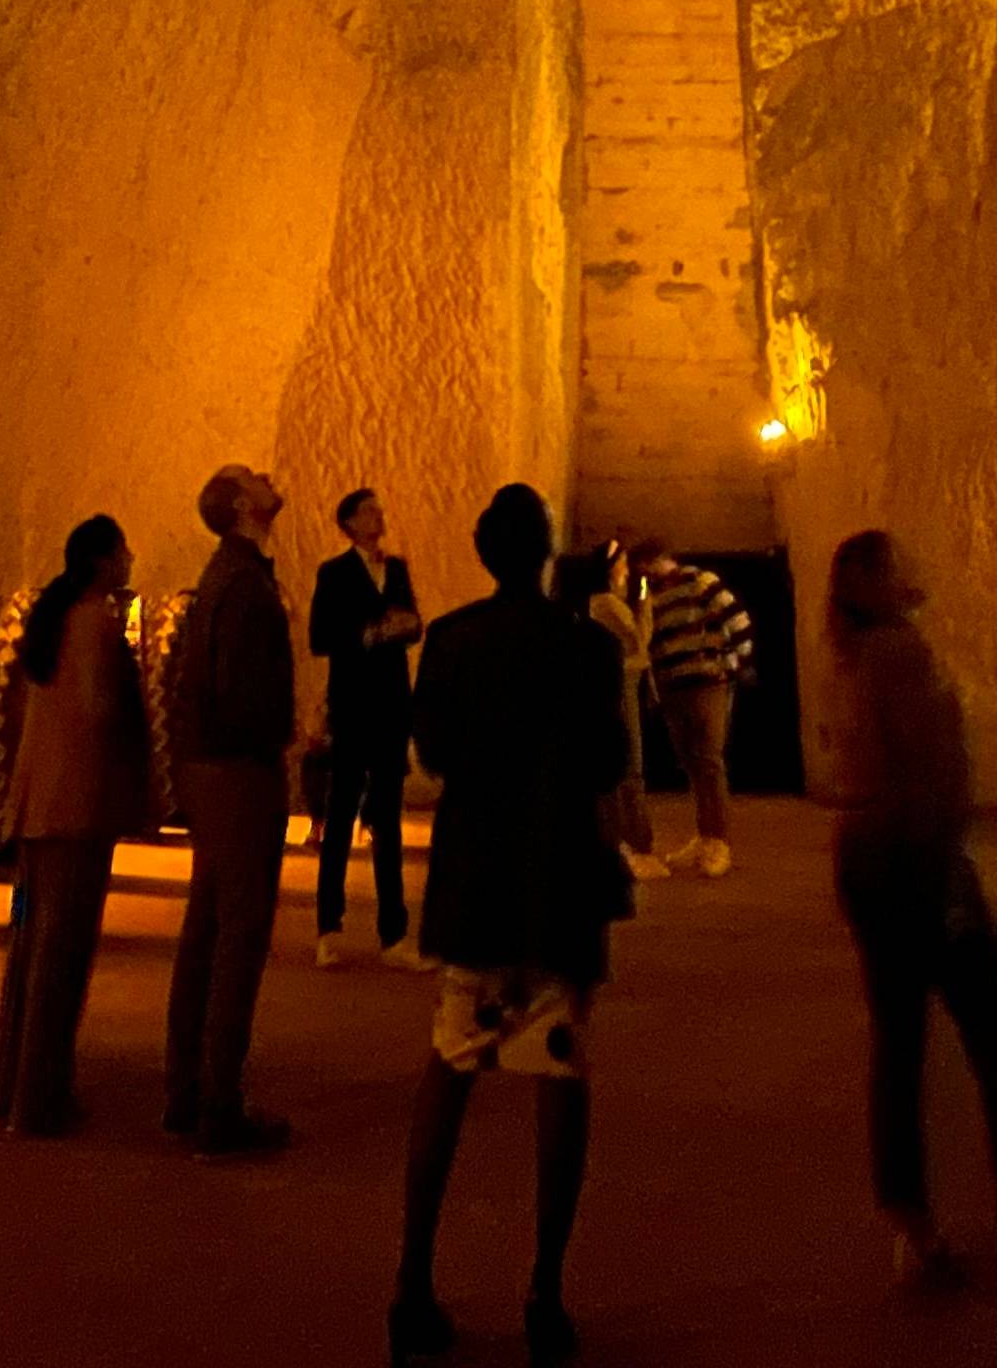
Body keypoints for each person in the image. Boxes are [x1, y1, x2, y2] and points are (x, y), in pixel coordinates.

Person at [389, 485, 632, 1368]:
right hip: (556, 883)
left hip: (476, 885)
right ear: (546, 550)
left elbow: (432, 754)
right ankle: (545, 1292)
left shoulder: (452, 640)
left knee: (451, 1064)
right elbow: (609, 761)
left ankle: (413, 1281)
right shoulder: (587, 647)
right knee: (558, 1072)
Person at [824, 529, 997, 1295]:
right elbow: (931, 773)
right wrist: (946, 877)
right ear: (878, 582)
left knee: (899, 1048)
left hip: (867, 858)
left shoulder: (850, 656)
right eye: (901, 561)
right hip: (916, 863)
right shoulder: (899, 654)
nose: (918, 564)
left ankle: (912, 1229)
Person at [0, 513, 155, 1136]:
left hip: (39, 810)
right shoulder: (94, 622)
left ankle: (12, 1092)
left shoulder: (53, 619)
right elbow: (98, 711)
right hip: (77, 811)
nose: (130, 559)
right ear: (103, 561)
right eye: (123, 551)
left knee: (30, 949)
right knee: (61, 958)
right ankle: (38, 1101)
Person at [162, 463, 298, 1156]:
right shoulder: (244, 584)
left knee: (207, 931)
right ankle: (218, 1107)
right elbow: (239, 689)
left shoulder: (226, 575)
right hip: (238, 772)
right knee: (238, 938)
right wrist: (278, 739)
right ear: (245, 505)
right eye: (254, 477)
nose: (269, 477)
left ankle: (186, 1092)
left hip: (210, 767)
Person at [309, 486, 429, 970]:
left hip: (392, 702)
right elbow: (321, 636)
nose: (379, 516)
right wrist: (371, 634)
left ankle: (393, 932)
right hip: (354, 702)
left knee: (388, 818)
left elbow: (413, 621)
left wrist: (409, 625)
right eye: (369, 511)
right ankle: (328, 926)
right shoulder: (334, 573)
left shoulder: (395, 568)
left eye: (379, 509)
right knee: (340, 814)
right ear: (350, 523)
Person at [635, 536, 752, 877]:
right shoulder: (652, 595)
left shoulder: (700, 581)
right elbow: (651, 641)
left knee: (709, 760)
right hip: (674, 688)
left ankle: (719, 842)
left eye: (645, 566)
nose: (643, 574)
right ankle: (704, 836)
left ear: (659, 559)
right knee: (691, 763)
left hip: (706, 682)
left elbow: (737, 620)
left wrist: (738, 665)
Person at [559, 544, 664, 880]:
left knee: (624, 767)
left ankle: (623, 842)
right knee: (630, 767)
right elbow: (640, 639)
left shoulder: (605, 603)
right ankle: (636, 844)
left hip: (622, 685)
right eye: (622, 563)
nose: (628, 569)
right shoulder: (607, 604)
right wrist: (645, 597)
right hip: (622, 687)